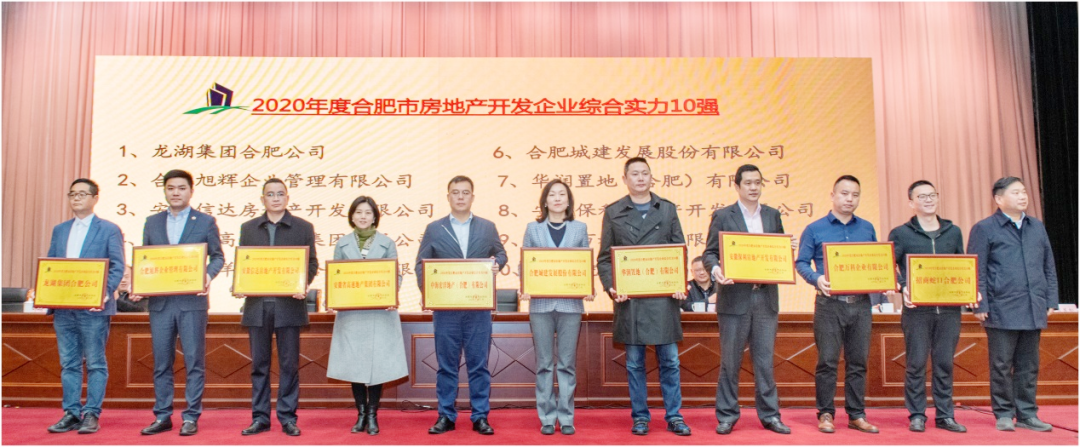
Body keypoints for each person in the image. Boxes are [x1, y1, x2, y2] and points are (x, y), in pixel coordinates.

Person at [596, 157, 691, 436]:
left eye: (645, 173)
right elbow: (605, 259)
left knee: (670, 362)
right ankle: (640, 417)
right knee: (635, 363)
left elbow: (679, 251)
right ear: (624, 179)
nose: (640, 178)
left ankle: (675, 416)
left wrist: (678, 283)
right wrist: (612, 286)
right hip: (631, 300)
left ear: (652, 177)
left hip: (663, 299)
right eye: (634, 174)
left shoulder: (667, 209)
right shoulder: (613, 212)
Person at [702, 164, 793, 435]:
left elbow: (778, 255)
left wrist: (787, 250)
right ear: (737, 186)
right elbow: (709, 253)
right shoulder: (723, 215)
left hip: (765, 298)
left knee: (764, 362)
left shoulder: (773, 215)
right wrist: (716, 270)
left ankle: (770, 415)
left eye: (758, 182)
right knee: (730, 362)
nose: (754, 187)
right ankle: (727, 415)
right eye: (748, 183)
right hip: (734, 299)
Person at [133, 170, 224, 436]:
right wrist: (140, 285)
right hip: (160, 304)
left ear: (191, 191)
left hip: (192, 303)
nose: (176, 192)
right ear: (164, 191)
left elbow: (218, 256)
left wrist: (207, 276)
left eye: (181, 188)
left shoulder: (205, 221)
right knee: (162, 363)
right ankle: (162, 416)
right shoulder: (152, 222)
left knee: (194, 362)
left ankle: (191, 417)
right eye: (171, 188)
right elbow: (147, 260)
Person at [416, 175, 507, 436]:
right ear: (448, 197)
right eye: (455, 192)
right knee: (446, 366)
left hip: (478, 309)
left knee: (479, 365)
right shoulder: (434, 228)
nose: (460, 197)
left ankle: (480, 416)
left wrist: (497, 263)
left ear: (472, 197)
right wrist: (428, 293)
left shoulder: (487, 227)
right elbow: (421, 265)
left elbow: (501, 253)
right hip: (446, 310)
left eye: (465, 192)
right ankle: (446, 415)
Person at [968, 177, 1058, 432]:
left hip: (1033, 305)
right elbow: (977, 269)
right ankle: (1004, 413)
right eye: (1015, 192)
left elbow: (1048, 265)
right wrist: (980, 304)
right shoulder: (985, 228)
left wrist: (1051, 298)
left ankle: (1027, 413)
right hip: (1001, 307)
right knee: (1001, 365)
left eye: (1024, 192)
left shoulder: (1036, 226)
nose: (1022, 196)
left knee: (1029, 366)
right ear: (999, 199)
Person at [795, 175, 879, 434]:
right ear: (832, 195)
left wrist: (883, 280)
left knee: (858, 362)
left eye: (855, 194)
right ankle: (826, 413)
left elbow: (876, 262)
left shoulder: (867, 228)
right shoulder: (815, 229)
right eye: (844, 193)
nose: (849, 199)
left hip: (861, 304)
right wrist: (816, 278)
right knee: (827, 361)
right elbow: (801, 262)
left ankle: (857, 414)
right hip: (829, 304)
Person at [234, 178, 318, 437]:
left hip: (288, 306)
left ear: (287, 198)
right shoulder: (248, 228)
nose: (276, 198)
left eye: (280, 194)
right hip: (257, 306)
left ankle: (288, 418)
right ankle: (260, 418)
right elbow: (245, 263)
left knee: (289, 365)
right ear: (263, 199)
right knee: (259, 365)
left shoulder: (303, 227)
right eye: (270, 194)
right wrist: (241, 283)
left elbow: (311, 263)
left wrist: (302, 283)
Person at [44, 179, 125, 434]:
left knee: (95, 363)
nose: (76, 198)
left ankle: (91, 413)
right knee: (69, 363)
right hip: (64, 308)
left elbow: (117, 266)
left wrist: (103, 294)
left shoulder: (109, 229)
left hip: (94, 309)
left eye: (82, 194)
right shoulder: (60, 230)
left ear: (95, 198)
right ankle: (71, 413)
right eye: (72, 194)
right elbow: (51, 265)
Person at [888, 180, 968, 433]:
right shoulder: (900, 233)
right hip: (917, 311)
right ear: (911, 203)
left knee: (944, 364)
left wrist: (968, 289)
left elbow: (963, 266)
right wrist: (903, 287)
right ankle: (917, 414)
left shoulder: (953, 232)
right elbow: (889, 267)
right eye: (922, 196)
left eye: (932, 195)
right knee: (916, 364)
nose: (928, 200)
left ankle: (945, 415)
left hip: (949, 310)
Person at [327, 195, 409, 435]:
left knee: (377, 365)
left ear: (375, 217)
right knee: (355, 364)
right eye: (358, 212)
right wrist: (333, 297)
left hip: (379, 313)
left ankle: (372, 414)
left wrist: (391, 295)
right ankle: (361, 414)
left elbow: (395, 274)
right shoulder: (342, 244)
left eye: (367, 212)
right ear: (352, 216)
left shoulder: (387, 243)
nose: (363, 216)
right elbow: (336, 275)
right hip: (352, 314)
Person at [518, 179, 593, 436]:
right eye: (552, 194)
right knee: (544, 364)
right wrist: (525, 285)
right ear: (545, 200)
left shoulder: (579, 228)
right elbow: (525, 263)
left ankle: (567, 417)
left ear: (569, 200)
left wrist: (587, 286)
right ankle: (547, 417)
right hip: (540, 305)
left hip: (571, 305)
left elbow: (584, 263)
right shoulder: (533, 228)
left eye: (562, 194)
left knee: (567, 364)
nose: (558, 198)